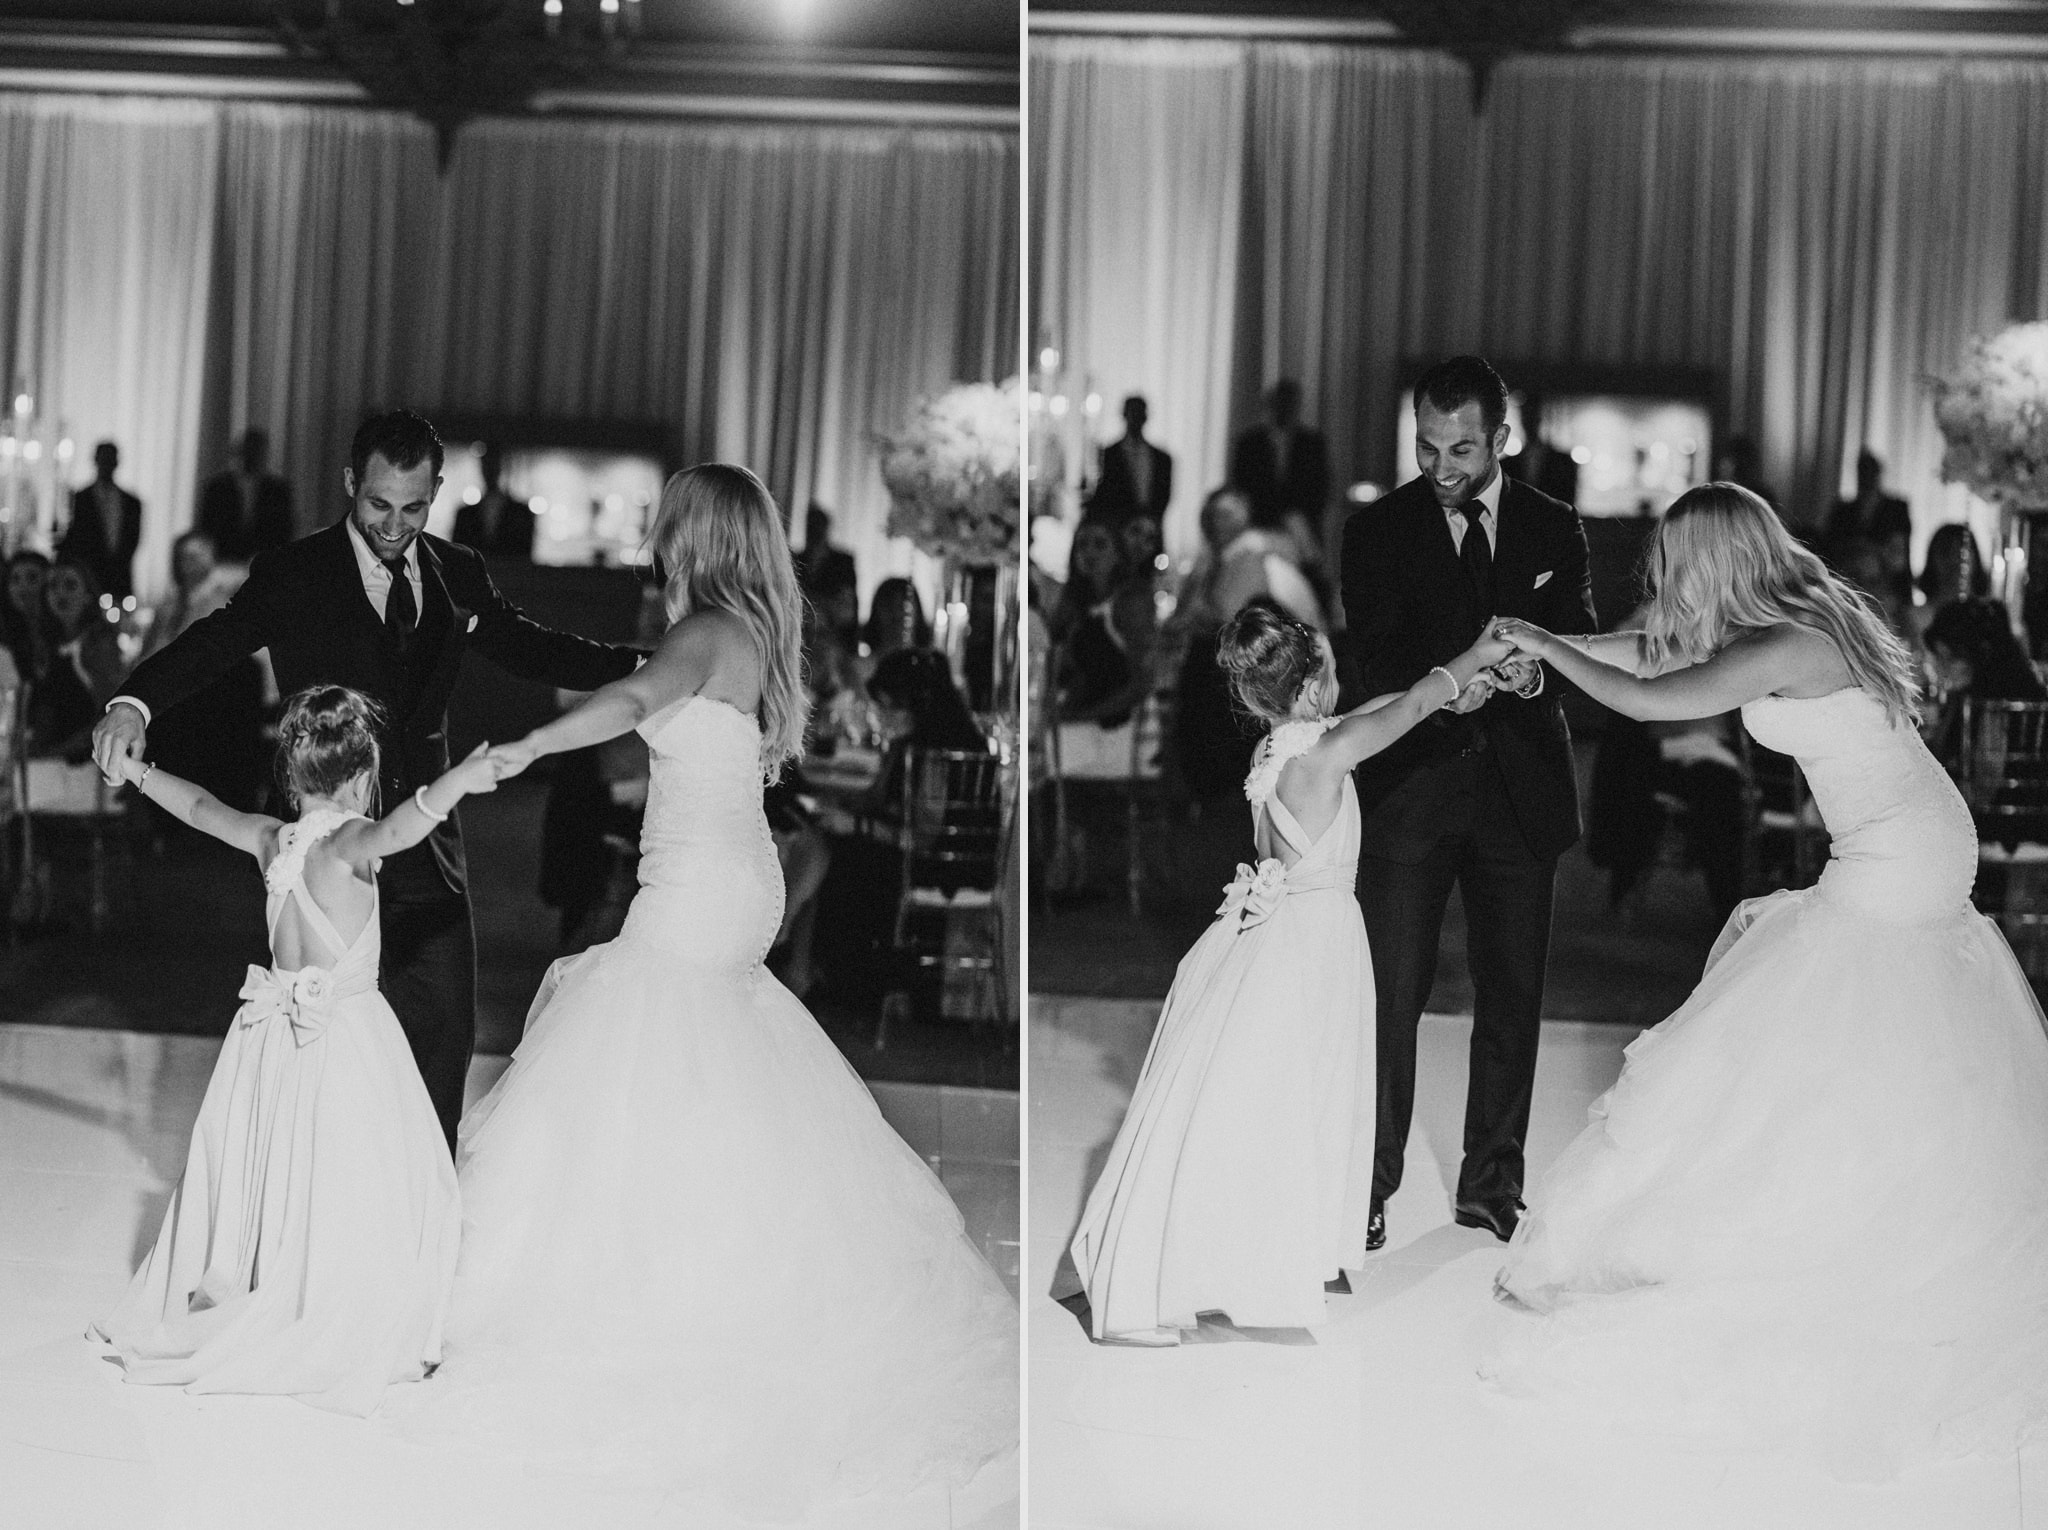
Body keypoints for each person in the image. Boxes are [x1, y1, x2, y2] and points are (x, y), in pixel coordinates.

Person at [402, 464, 1016, 1517]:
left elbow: (632, 700)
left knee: (631, 1055)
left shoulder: (704, 631)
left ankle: (646, 1301)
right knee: (704, 1067)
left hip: (696, 888)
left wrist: (527, 745)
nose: (651, 532)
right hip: (736, 880)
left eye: (664, 521)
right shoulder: (750, 633)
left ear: (696, 534)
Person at [1485, 482, 2048, 1476]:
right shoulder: (1780, 622)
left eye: (1675, 561)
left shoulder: (1791, 641)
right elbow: (1650, 650)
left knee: (1784, 1036)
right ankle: (1845, 1223)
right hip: (1903, 849)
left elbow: (1656, 697)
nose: (1664, 580)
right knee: (1817, 1045)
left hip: (1895, 861)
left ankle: (1814, 1244)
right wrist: (1542, 638)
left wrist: (1550, 654)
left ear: (1715, 558)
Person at [92, 409, 641, 1150]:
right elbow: (215, 642)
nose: (394, 523)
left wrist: (642, 667)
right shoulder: (294, 572)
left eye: (414, 507)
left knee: (445, 1029)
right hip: (326, 849)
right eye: (379, 503)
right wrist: (135, 702)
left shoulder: (460, 573)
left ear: (437, 491)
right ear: (352, 482)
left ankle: (422, 1206)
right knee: (328, 1051)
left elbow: (533, 649)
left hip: (427, 838)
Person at [1070, 605, 1512, 1343]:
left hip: (1275, 935)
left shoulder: (1276, 754)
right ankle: (1263, 1255)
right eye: (1328, 676)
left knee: (1268, 1095)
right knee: (1308, 1094)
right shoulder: (1325, 755)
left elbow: (1382, 707)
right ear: (1310, 690)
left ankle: (1271, 1249)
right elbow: (1407, 705)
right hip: (1316, 941)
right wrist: (1475, 653)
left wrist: (1469, 684)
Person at [91, 686, 498, 1414]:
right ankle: (337, 1301)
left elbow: (200, 809)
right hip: (343, 1033)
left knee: (277, 1161)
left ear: (292, 776)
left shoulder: (269, 838)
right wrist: (455, 785)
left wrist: (140, 772)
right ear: (360, 777)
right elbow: (401, 834)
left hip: (269, 1038)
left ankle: (263, 1276)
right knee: (356, 1172)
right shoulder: (348, 843)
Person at [1342, 354, 1597, 1252]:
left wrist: (1532, 676)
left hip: (1520, 799)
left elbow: (1579, 646)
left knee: (1513, 999)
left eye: (1461, 448)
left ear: (1501, 437)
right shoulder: (1374, 532)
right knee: (1387, 1000)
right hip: (1411, 793)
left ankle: (1492, 1187)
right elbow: (1373, 663)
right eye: (1426, 445)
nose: (1441, 466)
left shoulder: (1554, 525)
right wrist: (1454, 683)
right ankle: (1364, 1187)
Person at [138, 531, 268, 814]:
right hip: (166, 694)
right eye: (183, 557)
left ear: (210, 559)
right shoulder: (169, 603)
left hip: (204, 703)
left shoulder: (223, 601)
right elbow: (148, 652)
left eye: (196, 556)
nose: (188, 564)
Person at [28, 557, 126, 760]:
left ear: (87, 595)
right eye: (53, 586)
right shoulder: (49, 644)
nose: (60, 593)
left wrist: (58, 751)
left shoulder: (98, 644)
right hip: (52, 763)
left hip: (88, 762)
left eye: (70, 585)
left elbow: (109, 711)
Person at [1230, 378, 1331, 534]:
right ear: (1270, 405)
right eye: (1280, 402)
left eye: (1289, 403)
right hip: (1259, 522)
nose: (1284, 408)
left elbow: (1320, 485)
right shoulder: (1250, 442)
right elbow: (1241, 483)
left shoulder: (1312, 443)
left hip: (1302, 525)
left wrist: (1302, 517)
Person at [1824, 448, 1912, 609]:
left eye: (1871, 472)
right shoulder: (1843, 510)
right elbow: (1831, 548)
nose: (1867, 477)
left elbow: (1901, 553)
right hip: (1850, 584)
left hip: (1887, 586)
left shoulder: (1896, 509)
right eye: (1864, 472)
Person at [57, 441, 141, 601]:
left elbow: (132, 539)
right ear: (96, 461)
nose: (106, 465)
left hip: (120, 578)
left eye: (110, 460)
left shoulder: (131, 502)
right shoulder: (81, 499)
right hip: (90, 576)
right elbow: (77, 537)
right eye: (104, 460)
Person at [196, 428, 294, 563]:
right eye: (248, 451)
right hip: (223, 559)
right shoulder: (218, 487)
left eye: (257, 452)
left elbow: (285, 529)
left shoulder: (278, 489)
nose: (252, 456)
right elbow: (206, 525)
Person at [1085, 394, 1172, 529]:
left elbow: (1163, 496)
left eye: (1139, 414)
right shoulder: (1109, 454)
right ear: (1124, 415)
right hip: (1119, 527)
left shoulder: (1162, 458)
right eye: (1132, 413)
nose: (1135, 419)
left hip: (1151, 528)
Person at [450, 443, 534, 560]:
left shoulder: (521, 513)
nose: (490, 472)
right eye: (487, 466)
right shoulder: (465, 515)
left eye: (494, 466)